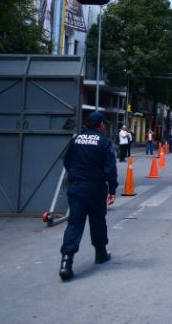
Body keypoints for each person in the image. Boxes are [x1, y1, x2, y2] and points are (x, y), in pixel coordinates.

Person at [59, 111, 118, 281]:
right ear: (100, 125)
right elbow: (110, 169)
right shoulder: (105, 143)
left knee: (75, 223)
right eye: (104, 124)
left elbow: (67, 161)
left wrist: (76, 176)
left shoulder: (75, 140)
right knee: (98, 221)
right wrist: (112, 189)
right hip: (95, 188)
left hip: (76, 188)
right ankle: (100, 253)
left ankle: (66, 262)